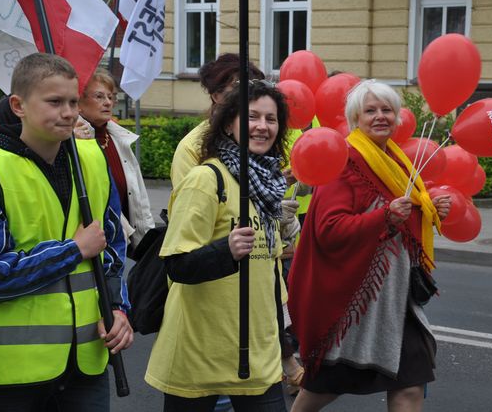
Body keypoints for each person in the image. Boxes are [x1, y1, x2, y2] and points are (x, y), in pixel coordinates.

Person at [0, 53, 133, 411]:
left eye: (74, 101)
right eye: (54, 102)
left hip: (85, 364)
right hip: (9, 375)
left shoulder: (92, 160)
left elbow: (112, 252)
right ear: (18, 105)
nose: (69, 112)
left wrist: (118, 307)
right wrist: (73, 250)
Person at [288, 80, 451, 412]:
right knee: (324, 388)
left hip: (397, 300)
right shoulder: (344, 161)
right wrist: (384, 218)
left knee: (410, 383)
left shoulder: (395, 159)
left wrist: (430, 207)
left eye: (387, 110)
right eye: (371, 110)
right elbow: (329, 229)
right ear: (355, 118)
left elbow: (406, 204)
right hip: (356, 303)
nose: (380, 116)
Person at [145, 81, 289, 412]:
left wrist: (285, 341)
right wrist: (225, 250)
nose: (262, 126)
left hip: (257, 353)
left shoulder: (268, 186)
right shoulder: (206, 179)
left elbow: (271, 273)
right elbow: (177, 264)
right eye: (252, 116)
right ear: (228, 123)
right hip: (201, 352)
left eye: (271, 118)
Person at [75, 68, 154, 254]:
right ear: (79, 103)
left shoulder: (118, 137)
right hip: (96, 239)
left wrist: (147, 238)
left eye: (111, 97)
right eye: (99, 97)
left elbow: (138, 193)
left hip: (126, 240)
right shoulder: (74, 138)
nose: (108, 103)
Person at [170, 53, 265, 188]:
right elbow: (187, 204)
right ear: (216, 96)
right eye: (238, 88)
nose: (249, 95)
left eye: (254, 87)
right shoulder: (192, 148)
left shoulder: (260, 135)